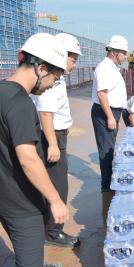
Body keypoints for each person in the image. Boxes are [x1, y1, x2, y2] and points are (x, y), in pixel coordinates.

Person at [0, 33, 69, 266]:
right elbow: (28, 159)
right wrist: (55, 199)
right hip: (21, 206)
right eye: (55, 78)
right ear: (41, 69)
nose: (52, 86)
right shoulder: (20, 103)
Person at [30, 33, 81, 248]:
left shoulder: (56, 78)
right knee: (57, 185)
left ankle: (47, 229)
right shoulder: (53, 79)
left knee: (51, 182)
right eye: (73, 58)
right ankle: (53, 233)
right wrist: (52, 143)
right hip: (53, 136)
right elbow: (45, 113)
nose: (74, 64)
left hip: (55, 134)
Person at [91, 35, 128, 222]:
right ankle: (107, 187)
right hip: (105, 112)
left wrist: (116, 116)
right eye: (123, 53)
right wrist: (109, 117)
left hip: (113, 112)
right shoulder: (104, 67)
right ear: (114, 52)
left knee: (110, 149)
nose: (125, 56)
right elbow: (101, 94)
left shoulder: (113, 68)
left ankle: (109, 182)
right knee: (106, 151)